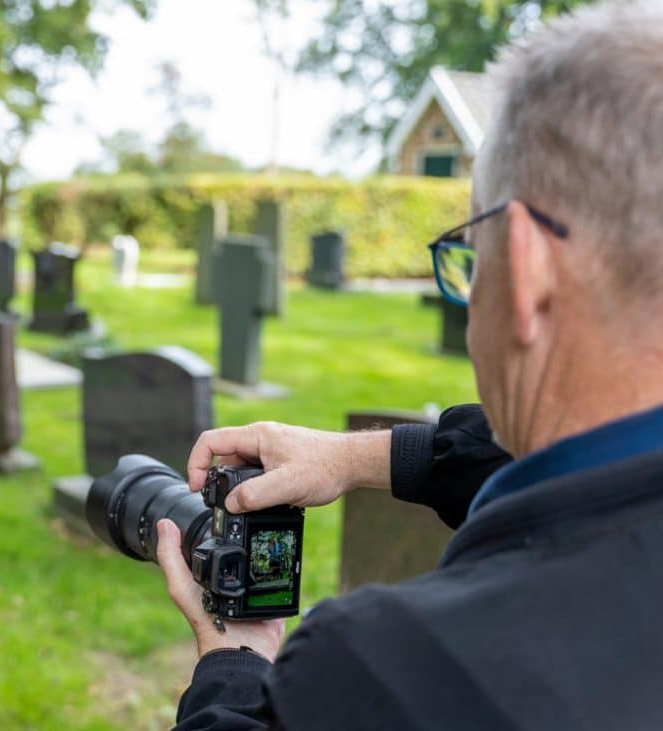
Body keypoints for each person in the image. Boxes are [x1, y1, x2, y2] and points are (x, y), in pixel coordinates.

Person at [155, 3, 663, 728]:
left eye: (469, 254)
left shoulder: (384, 668)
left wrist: (235, 668)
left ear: (523, 269)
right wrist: (361, 456)